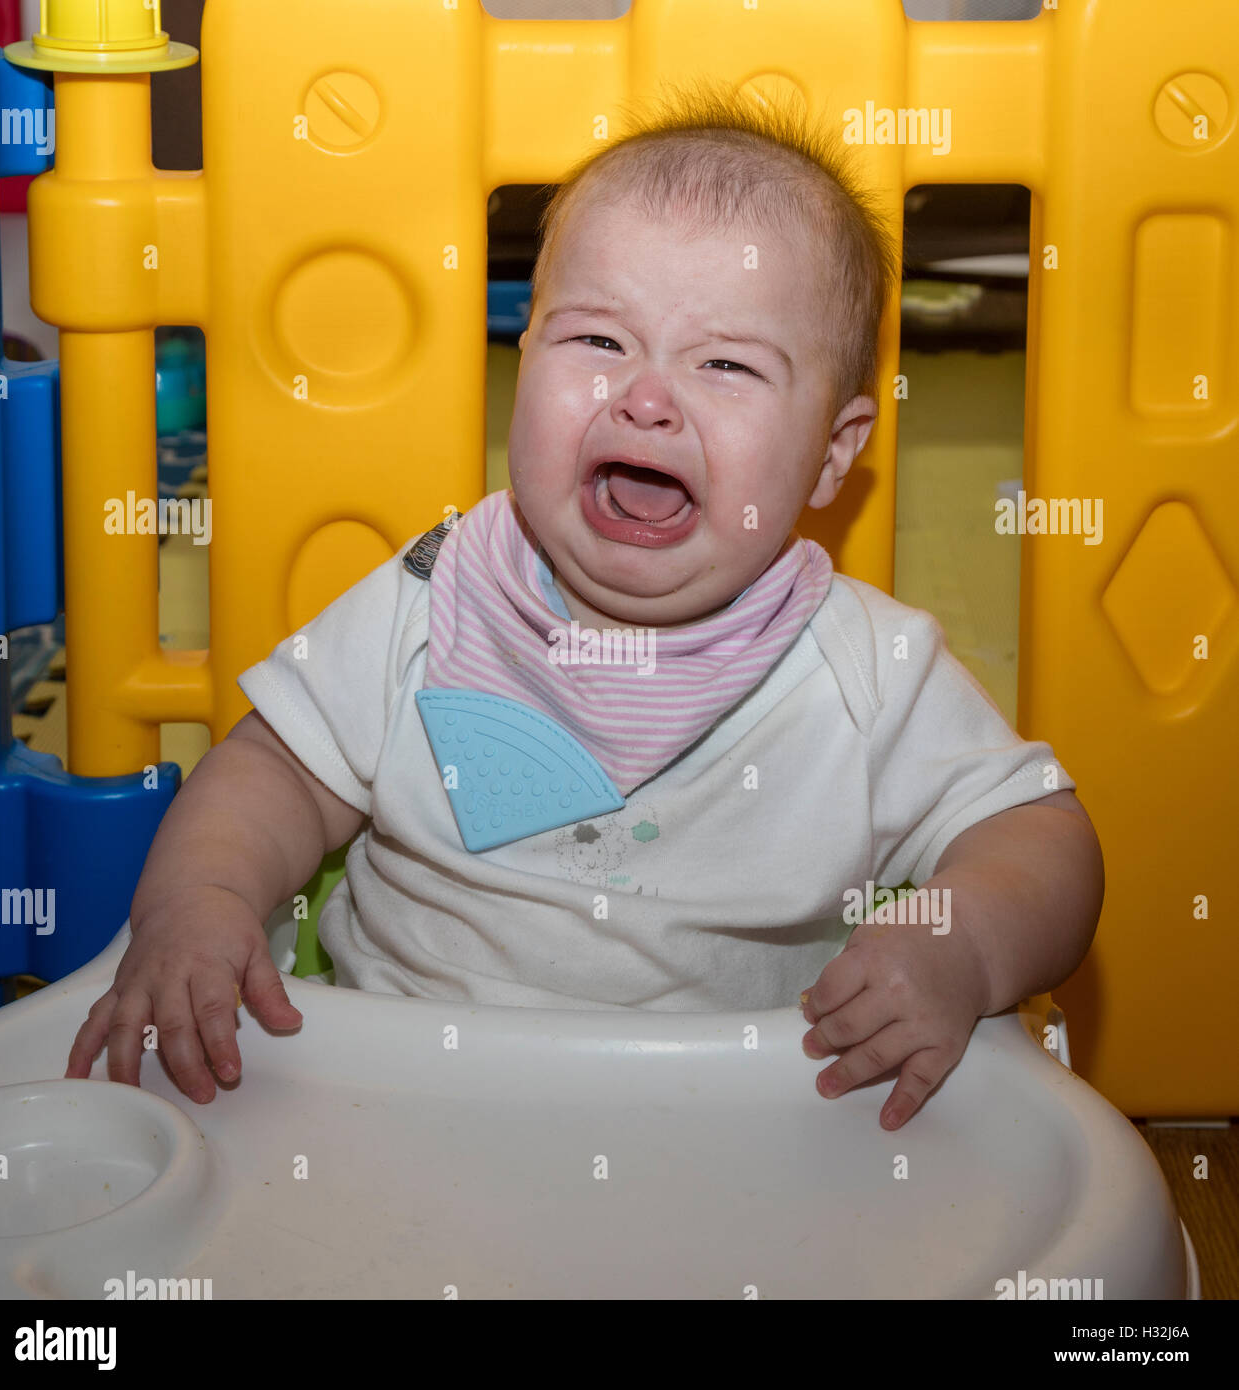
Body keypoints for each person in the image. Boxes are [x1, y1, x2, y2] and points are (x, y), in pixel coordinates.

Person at [66, 81, 1102, 1132]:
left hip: (721, 1127)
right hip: (391, 1099)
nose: (643, 397)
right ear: (522, 366)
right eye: (596, 343)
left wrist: (956, 944)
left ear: (832, 455)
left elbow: (1038, 834)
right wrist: (202, 903)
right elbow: (275, 771)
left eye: (726, 363)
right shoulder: (438, 593)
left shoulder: (863, 673)